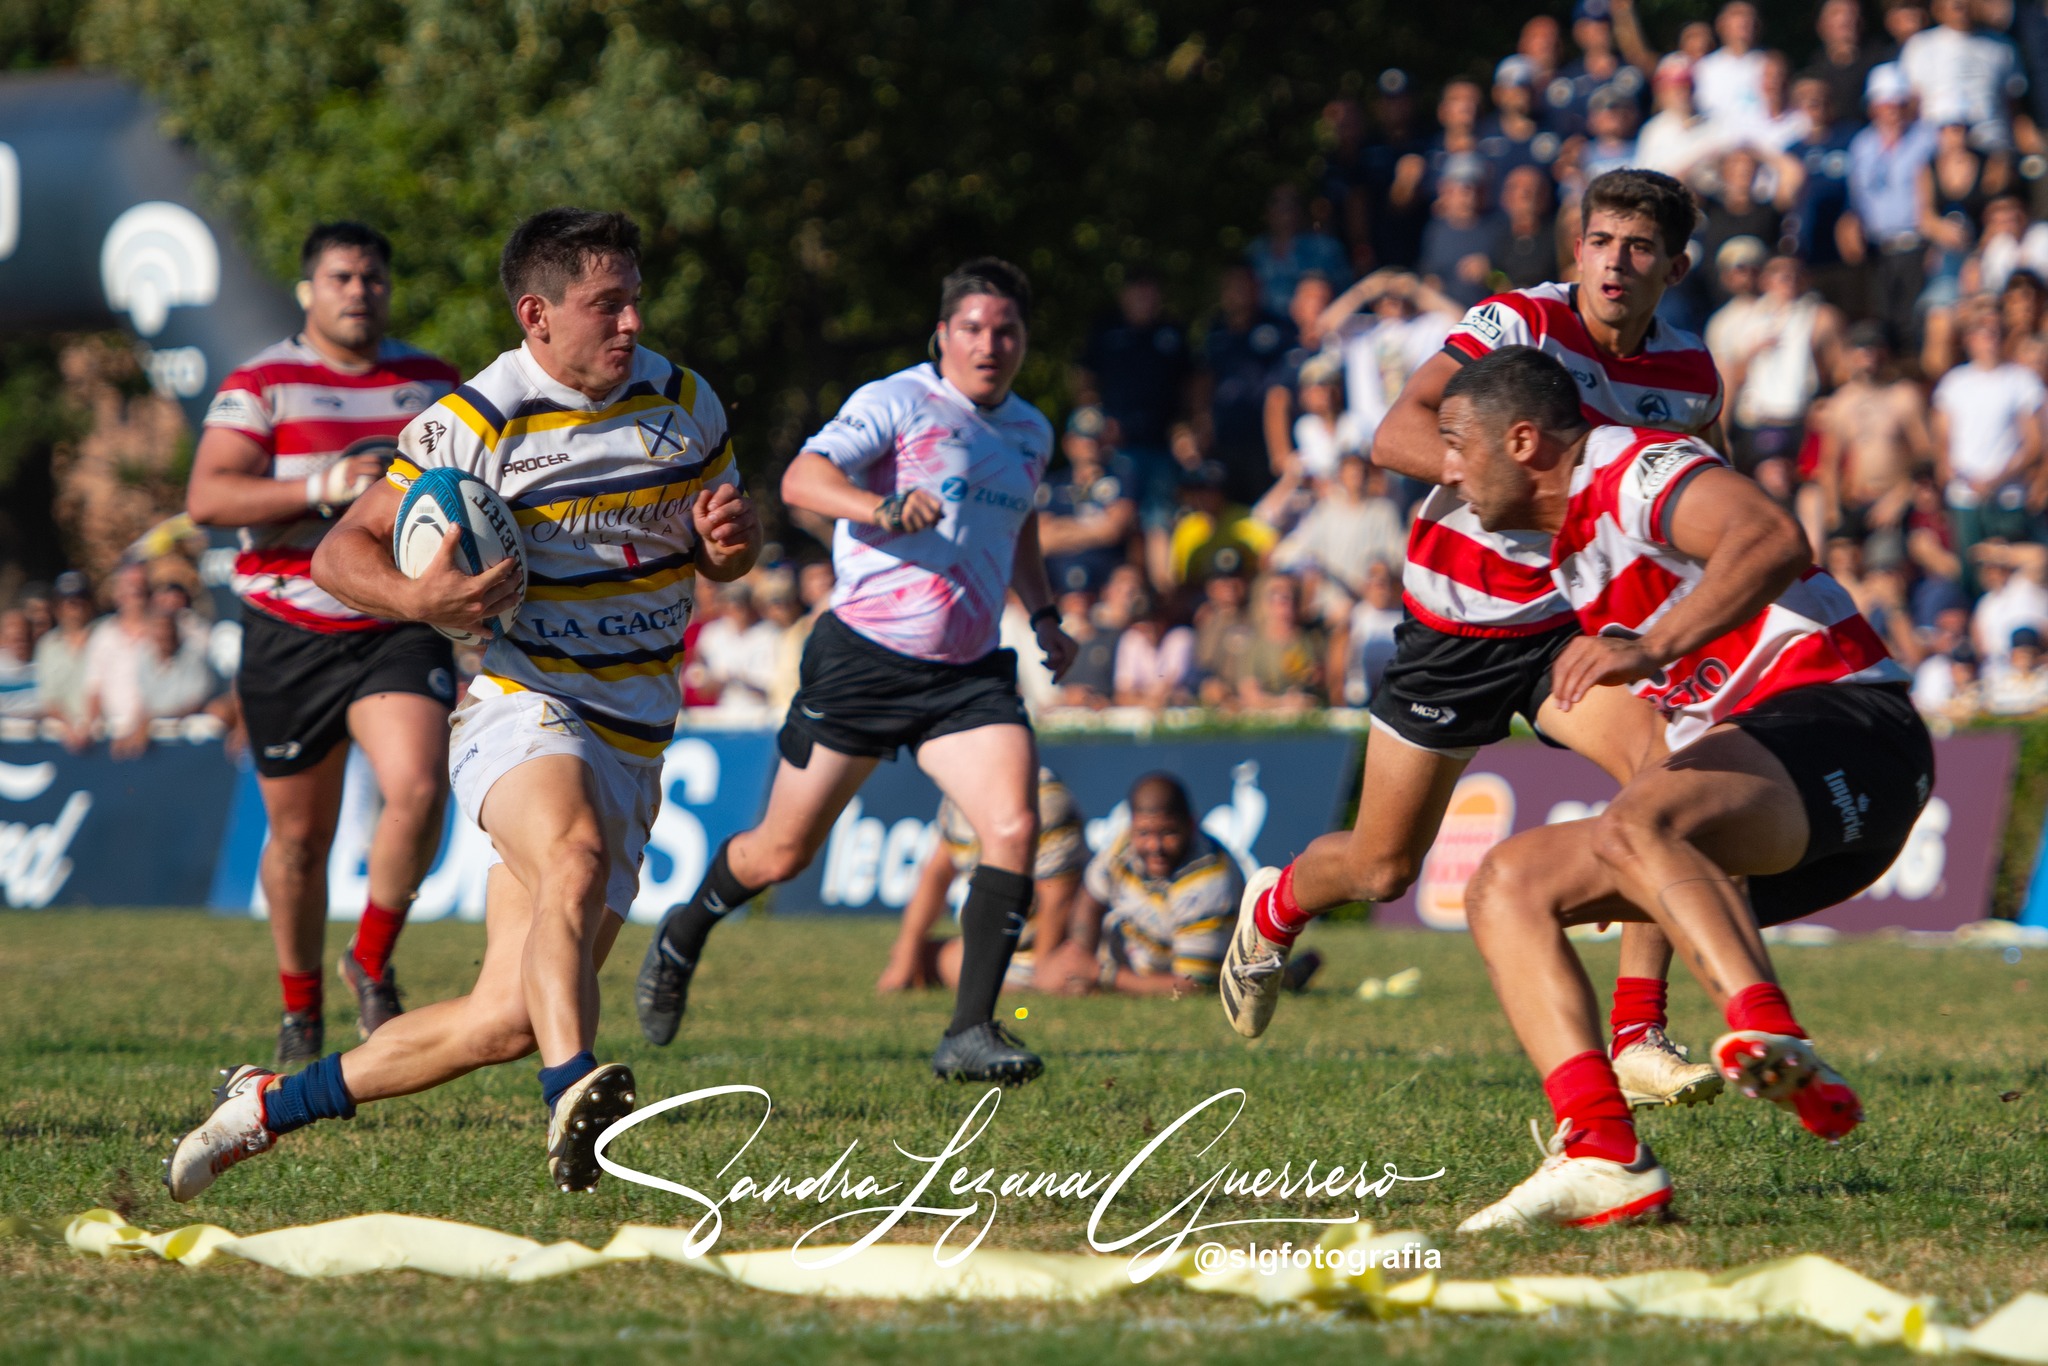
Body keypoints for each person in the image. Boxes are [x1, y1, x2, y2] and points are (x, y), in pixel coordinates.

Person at [164, 207, 762, 1201]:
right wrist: (418, 599)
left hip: (638, 731)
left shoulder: (684, 401)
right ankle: (570, 1088)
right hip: (524, 706)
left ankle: (266, 1104)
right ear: (536, 314)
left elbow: (726, 555)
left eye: (633, 301)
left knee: (504, 1014)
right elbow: (337, 551)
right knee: (567, 857)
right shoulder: (475, 418)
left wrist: (725, 541)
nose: (628, 323)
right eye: (603, 305)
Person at [1220, 171, 1726, 1118]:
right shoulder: (1516, 325)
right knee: (1380, 868)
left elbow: (1704, 486)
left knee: (1673, 775)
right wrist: (1550, 489)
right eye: (1603, 240)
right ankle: (1278, 905)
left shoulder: (1693, 373)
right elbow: (1396, 432)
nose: (1618, 261)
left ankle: (1639, 1033)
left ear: (1676, 266)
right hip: (1460, 621)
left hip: (1580, 621)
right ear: (1577, 248)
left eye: (1641, 247)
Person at [1423, 346, 1927, 1229]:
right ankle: (1603, 1152)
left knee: (1636, 819)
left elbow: (1773, 539)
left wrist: (1649, 645)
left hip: (1851, 729)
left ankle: (1767, 1022)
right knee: (1506, 886)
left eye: (1457, 444)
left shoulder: (1631, 464)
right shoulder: (1564, 552)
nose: (1448, 467)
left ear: (1526, 440)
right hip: (1775, 817)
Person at [635, 258, 1073, 1086]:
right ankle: (683, 933)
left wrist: (1044, 614)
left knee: (1013, 827)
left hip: (968, 676)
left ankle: (970, 1032)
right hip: (863, 664)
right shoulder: (896, 402)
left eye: (1007, 331)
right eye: (973, 329)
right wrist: (881, 509)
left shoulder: (1031, 431)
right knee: (779, 855)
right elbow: (802, 478)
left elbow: (1016, 528)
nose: (990, 345)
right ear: (943, 335)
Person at [185, 222, 463, 1064]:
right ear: (309, 290)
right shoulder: (261, 382)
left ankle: (370, 962)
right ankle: (299, 1006)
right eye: (341, 277)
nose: (358, 291)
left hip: (395, 622)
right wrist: (321, 485)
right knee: (300, 840)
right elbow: (207, 497)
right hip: (289, 626)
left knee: (418, 785)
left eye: (372, 278)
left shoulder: (433, 383)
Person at [1036, 774, 1299, 997]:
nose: (1154, 847)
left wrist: (1102, 975)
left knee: (1246, 983)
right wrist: (1079, 960)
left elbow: (1192, 985)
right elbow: (1091, 899)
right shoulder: (1123, 846)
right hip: (1138, 959)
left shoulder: (1208, 881)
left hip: (1203, 968)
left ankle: (1283, 977)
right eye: (1144, 833)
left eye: (1168, 833)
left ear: (1191, 825)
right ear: (1132, 826)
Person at [877, 768, 1089, 993]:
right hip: (997, 946)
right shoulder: (958, 797)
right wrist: (907, 953)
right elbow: (937, 873)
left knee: (1055, 972)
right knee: (914, 955)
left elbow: (1057, 896)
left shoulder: (1045, 800)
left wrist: (1044, 968)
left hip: (1047, 946)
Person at [1806, 321, 1933, 563]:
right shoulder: (1841, 404)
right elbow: (1829, 463)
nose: (1869, 357)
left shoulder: (1904, 396)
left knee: (1884, 562)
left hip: (1895, 501)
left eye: (1875, 349)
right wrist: (1835, 514)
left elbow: (1925, 456)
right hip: (1856, 503)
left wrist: (1899, 497)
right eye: (1862, 350)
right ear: (1850, 355)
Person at [1932, 309, 2045, 579]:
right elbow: (1943, 440)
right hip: (1965, 497)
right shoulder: (1954, 383)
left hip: (2008, 496)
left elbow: (2034, 443)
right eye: (1981, 332)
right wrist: (1953, 473)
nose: (1989, 339)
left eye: (1995, 332)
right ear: (1969, 339)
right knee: (1972, 575)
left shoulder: (2021, 380)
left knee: (2012, 573)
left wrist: (1996, 479)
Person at [1844, 64, 1938, 350]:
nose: (1893, 112)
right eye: (1886, 105)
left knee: (1916, 320)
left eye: (1898, 104)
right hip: (1879, 250)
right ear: (1874, 107)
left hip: (1917, 244)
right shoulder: (1862, 145)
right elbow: (1856, 197)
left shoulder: (1926, 139)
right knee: (1883, 321)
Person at [1036, 406, 1138, 595]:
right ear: (1069, 443)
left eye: (1097, 438)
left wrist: (1060, 528)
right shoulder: (1051, 485)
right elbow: (1040, 540)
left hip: (1105, 587)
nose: (1091, 446)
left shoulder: (1122, 479)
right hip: (1056, 589)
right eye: (1084, 439)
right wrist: (1094, 527)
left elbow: (1112, 531)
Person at [33, 571, 96, 749]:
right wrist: (69, 727)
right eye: (69, 601)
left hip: (101, 734)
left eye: (81, 599)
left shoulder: (105, 638)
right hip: (62, 737)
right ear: (58, 607)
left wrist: (88, 725)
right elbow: (47, 698)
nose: (76, 607)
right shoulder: (47, 646)